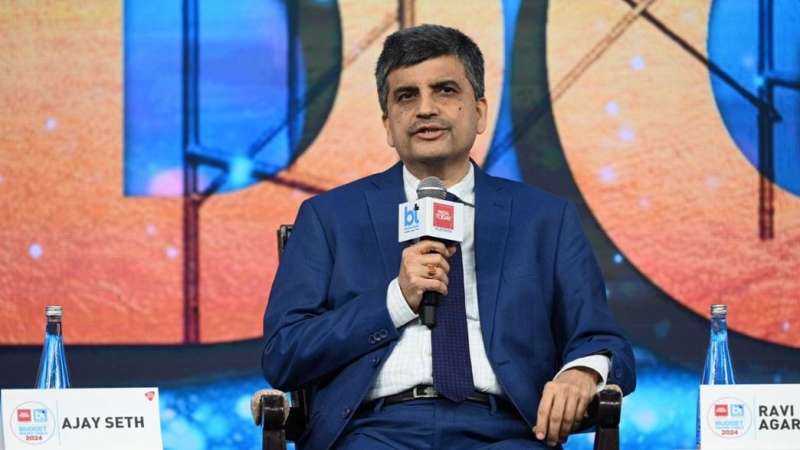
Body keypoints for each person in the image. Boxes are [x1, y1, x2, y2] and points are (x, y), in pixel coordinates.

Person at [262, 24, 635, 449]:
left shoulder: (545, 220)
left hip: (508, 432)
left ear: (480, 112)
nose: (425, 109)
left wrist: (582, 372)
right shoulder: (330, 217)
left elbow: (603, 340)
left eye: (444, 90)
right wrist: (396, 300)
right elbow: (283, 354)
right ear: (388, 125)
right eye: (406, 96)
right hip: (373, 431)